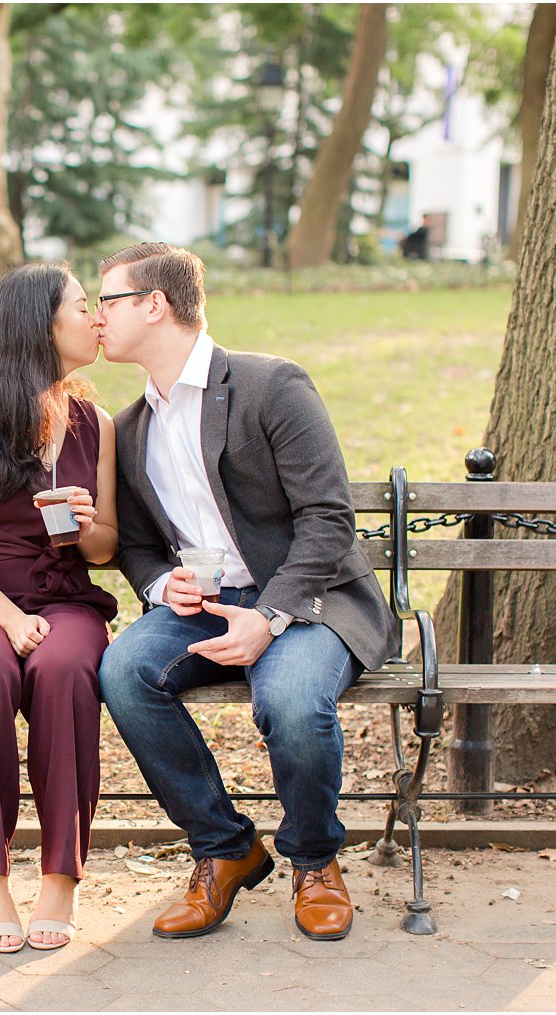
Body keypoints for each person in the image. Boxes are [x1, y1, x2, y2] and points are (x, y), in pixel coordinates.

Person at [92, 242, 399, 943]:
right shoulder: (131, 426)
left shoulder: (271, 385)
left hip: (309, 600)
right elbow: (137, 543)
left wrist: (269, 614)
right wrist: (158, 581)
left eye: (107, 300)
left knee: (291, 697)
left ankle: (315, 860)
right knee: (123, 670)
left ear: (153, 304)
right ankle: (225, 847)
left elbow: (328, 518)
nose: (97, 317)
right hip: (204, 606)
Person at [0, 262, 119, 954]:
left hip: (65, 598)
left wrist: (89, 525)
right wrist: (7, 619)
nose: (96, 318)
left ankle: (61, 874)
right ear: (42, 323)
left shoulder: (97, 422)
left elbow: (105, 547)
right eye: (82, 306)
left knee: (66, 668)